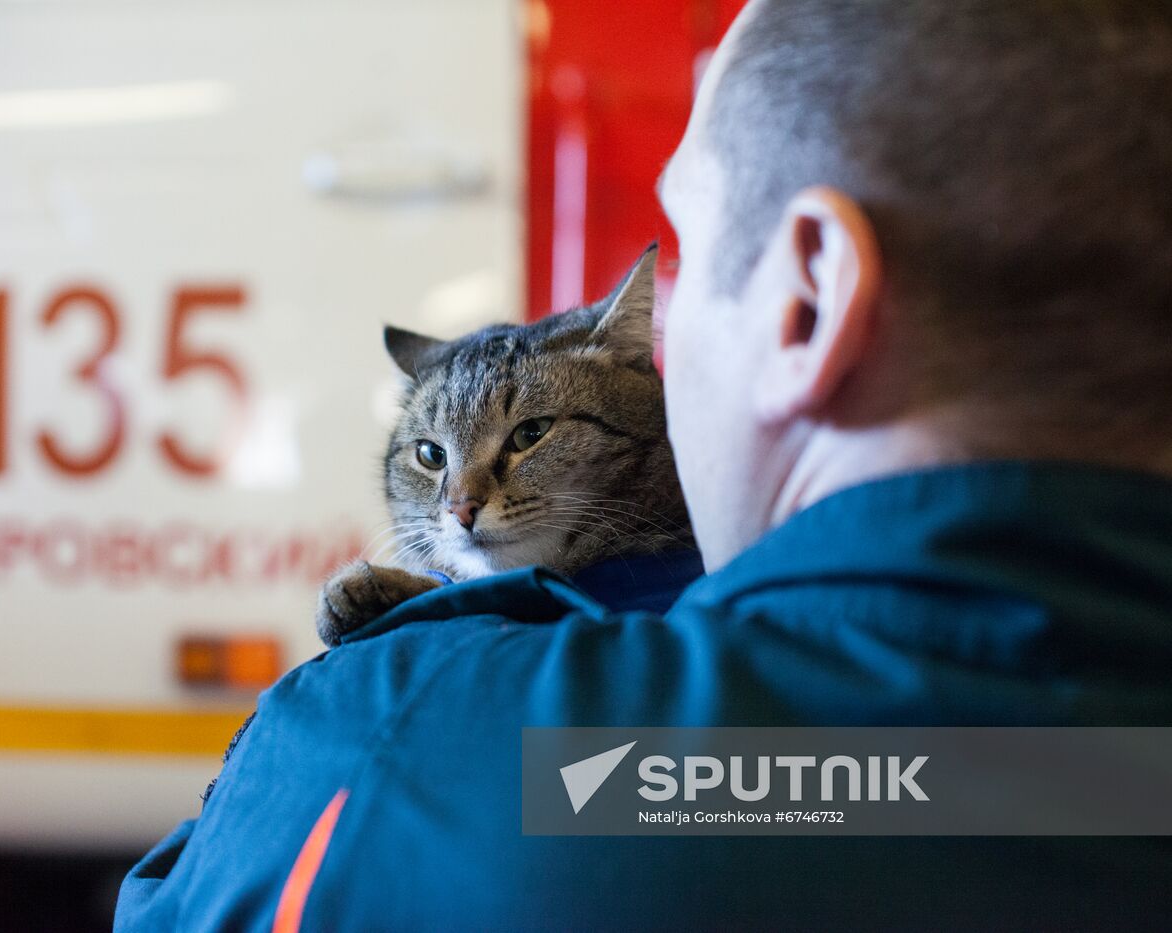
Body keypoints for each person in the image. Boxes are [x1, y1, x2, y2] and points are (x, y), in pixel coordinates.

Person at [116, 0, 1172, 928]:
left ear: (806, 300)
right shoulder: (1125, 770)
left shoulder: (428, 748)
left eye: (690, 244)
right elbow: (940, 788)